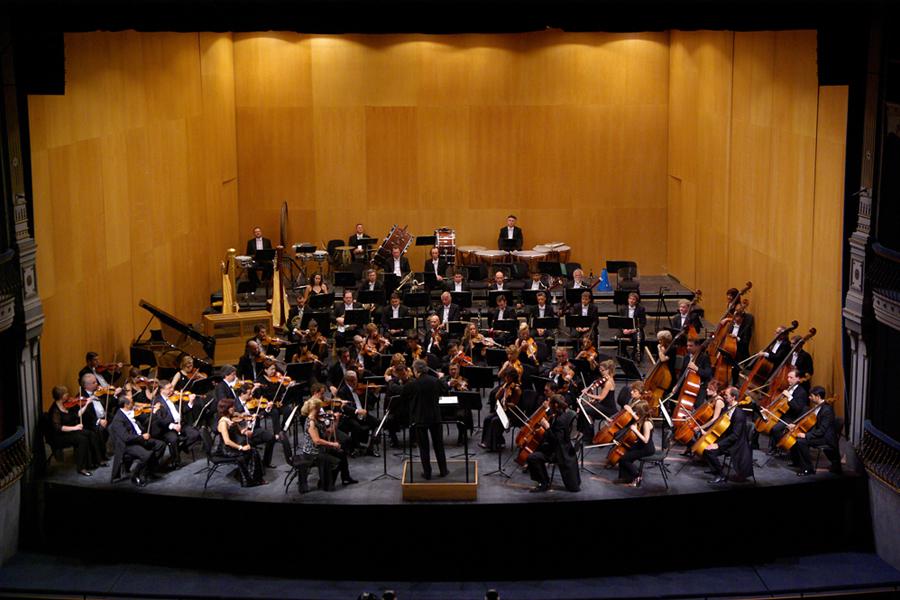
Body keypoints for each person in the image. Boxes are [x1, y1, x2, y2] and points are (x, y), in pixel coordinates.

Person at [402, 359, 449, 479]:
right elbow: (445, 389)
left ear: (416, 370)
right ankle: (443, 470)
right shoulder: (435, 381)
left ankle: (427, 473)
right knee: (439, 445)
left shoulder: (413, 384)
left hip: (420, 418)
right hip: (435, 417)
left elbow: (403, 395)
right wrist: (441, 377)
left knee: (424, 447)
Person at [300, 390, 356, 490]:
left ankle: (346, 478)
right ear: (314, 409)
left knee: (341, 453)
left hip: (320, 449)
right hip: (313, 452)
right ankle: (324, 484)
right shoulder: (311, 422)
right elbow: (317, 441)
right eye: (319, 408)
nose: (321, 410)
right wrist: (333, 444)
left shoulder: (317, 419)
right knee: (336, 461)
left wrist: (336, 420)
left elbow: (328, 432)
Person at [109, 392, 166, 487]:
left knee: (161, 445)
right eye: (132, 402)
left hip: (139, 439)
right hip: (127, 445)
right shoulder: (118, 419)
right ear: (126, 405)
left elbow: (146, 419)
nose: (134, 404)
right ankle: (135, 475)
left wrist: (153, 412)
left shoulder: (131, 412)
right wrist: (142, 437)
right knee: (147, 455)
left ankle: (148, 471)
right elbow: (126, 438)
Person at [47, 385, 106, 476]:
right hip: (60, 436)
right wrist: (75, 428)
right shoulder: (55, 410)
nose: (69, 396)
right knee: (82, 439)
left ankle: (97, 460)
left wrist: (86, 404)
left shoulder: (68, 404)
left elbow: (78, 414)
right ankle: (81, 467)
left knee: (91, 434)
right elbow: (58, 427)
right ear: (62, 396)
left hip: (71, 431)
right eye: (67, 394)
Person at [526, 394, 580, 493]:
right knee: (538, 448)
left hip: (558, 452)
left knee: (532, 457)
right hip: (562, 447)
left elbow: (556, 440)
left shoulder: (560, 420)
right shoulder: (562, 413)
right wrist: (546, 410)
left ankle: (544, 483)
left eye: (550, 403)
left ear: (555, 405)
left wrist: (547, 427)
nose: (549, 405)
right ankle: (539, 476)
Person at [213, 392, 265, 487]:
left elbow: (240, 430)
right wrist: (241, 448)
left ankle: (254, 477)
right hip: (227, 449)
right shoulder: (223, 422)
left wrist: (245, 431)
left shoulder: (231, 418)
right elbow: (227, 441)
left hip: (234, 445)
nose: (234, 408)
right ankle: (248, 480)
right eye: (232, 407)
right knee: (251, 452)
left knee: (253, 451)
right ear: (226, 409)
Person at [704, 387, 754, 484]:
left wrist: (718, 445)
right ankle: (716, 470)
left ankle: (720, 475)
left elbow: (735, 436)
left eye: (726, 395)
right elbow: (719, 425)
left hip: (736, 444)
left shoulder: (739, 414)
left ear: (733, 397)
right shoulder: (727, 408)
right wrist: (707, 432)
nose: (724, 396)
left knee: (709, 451)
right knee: (705, 448)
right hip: (727, 439)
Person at [788, 386, 841, 475]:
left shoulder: (827, 410)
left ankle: (808, 469)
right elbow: (811, 424)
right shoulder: (817, 407)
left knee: (801, 442)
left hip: (825, 438)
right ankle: (798, 462)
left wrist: (806, 435)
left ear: (818, 396)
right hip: (818, 434)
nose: (809, 397)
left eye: (811, 396)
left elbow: (822, 430)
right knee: (796, 437)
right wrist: (796, 426)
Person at [153, 379, 201, 468]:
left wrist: (190, 402)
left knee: (195, 434)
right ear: (162, 390)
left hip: (180, 424)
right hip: (167, 428)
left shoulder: (173, 397)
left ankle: (179, 449)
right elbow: (159, 420)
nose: (172, 390)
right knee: (173, 439)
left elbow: (182, 411)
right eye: (169, 388)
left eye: (172, 387)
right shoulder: (157, 401)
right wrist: (172, 426)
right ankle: (176, 461)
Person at [336, 370, 379, 456]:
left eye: (355, 379)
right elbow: (344, 407)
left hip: (362, 414)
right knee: (356, 426)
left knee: (377, 422)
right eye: (352, 380)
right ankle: (354, 447)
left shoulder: (360, 389)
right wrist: (356, 411)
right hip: (350, 416)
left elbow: (371, 401)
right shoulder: (342, 391)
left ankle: (371, 447)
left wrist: (375, 393)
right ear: (347, 381)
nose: (355, 382)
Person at [766, 368, 809, 454]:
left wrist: (789, 397)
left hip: (792, 417)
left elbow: (797, 408)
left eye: (791, 377)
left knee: (775, 428)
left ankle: (779, 446)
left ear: (798, 378)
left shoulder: (802, 392)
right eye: (788, 377)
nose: (788, 379)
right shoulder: (789, 388)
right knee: (766, 421)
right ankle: (773, 447)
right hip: (783, 414)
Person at [614, 399, 655, 487]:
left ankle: (637, 476)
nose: (636, 413)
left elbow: (646, 440)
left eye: (637, 411)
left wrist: (635, 430)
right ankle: (625, 478)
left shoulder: (646, 423)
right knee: (624, 454)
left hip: (646, 448)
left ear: (642, 412)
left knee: (624, 459)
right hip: (641, 445)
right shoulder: (644, 418)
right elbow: (638, 420)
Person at [480, 368, 522, 451]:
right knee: (487, 419)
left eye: (507, 377)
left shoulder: (517, 389)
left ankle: (491, 445)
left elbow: (515, 405)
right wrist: (500, 391)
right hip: (503, 411)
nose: (505, 378)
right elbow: (496, 397)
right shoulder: (506, 385)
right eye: (505, 376)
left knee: (495, 421)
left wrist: (505, 402)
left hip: (512, 414)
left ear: (512, 377)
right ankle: (486, 441)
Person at [618, 292, 647, 362]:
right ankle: (623, 354)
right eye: (630, 299)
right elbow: (619, 322)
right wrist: (623, 330)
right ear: (628, 299)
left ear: (636, 301)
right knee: (619, 337)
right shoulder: (622, 308)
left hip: (635, 330)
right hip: (626, 329)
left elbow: (643, 323)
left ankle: (634, 355)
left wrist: (634, 330)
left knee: (638, 339)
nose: (631, 300)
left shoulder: (641, 309)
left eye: (633, 299)